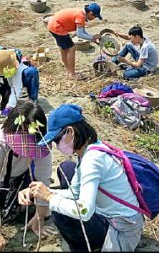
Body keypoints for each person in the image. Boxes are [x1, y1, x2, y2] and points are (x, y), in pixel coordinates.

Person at [18, 104, 145, 251]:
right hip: (109, 215)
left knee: (60, 211)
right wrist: (40, 193)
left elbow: (84, 211)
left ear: (70, 132)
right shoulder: (90, 150)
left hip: (121, 231)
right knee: (66, 169)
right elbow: (75, 193)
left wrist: (49, 198)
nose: (57, 147)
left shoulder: (93, 160)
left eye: (57, 141)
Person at [0, 99, 53, 252]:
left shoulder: (41, 144)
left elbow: (43, 180)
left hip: (21, 177)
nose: (27, 149)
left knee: (29, 205)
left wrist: (40, 215)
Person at [47, 3, 103, 80]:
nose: (94, 18)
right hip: (57, 27)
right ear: (90, 13)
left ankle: (69, 70)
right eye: (95, 16)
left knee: (64, 48)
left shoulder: (81, 14)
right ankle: (72, 74)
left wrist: (92, 39)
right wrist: (92, 37)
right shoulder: (81, 16)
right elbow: (79, 34)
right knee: (72, 48)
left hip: (52, 25)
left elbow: (83, 31)